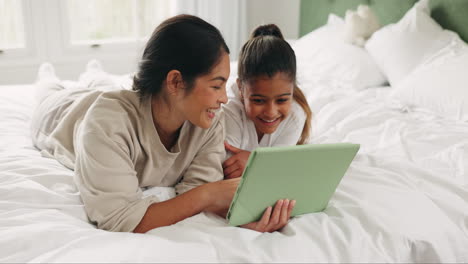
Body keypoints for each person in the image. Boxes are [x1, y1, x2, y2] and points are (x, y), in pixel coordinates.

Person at [31, 15, 294, 234]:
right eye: (216, 85)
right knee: (50, 89)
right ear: (176, 82)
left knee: (100, 83)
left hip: (122, 101)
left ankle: (94, 72)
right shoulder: (106, 123)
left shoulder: (208, 123)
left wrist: (242, 218)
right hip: (64, 113)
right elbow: (120, 219)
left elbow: (195, 193)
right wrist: (208, 195)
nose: (224, 98)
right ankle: (49, 76)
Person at [223, 24, 313, 179]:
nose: (271, 112)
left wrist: (252, 162)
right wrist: (264, 166)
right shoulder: (229, 111)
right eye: (258, 100)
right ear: (241, 88)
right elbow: (228, 172)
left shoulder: (295, 114)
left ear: (293, 88)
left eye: (282, 100)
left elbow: (277, 168)